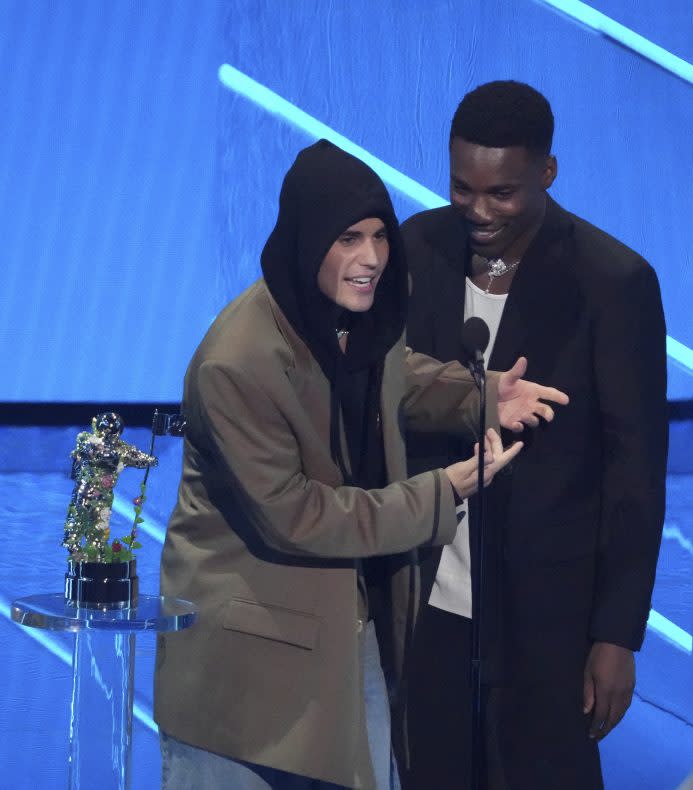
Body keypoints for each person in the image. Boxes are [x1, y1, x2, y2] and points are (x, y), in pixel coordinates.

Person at [153, 138, 568, 790]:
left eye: (378, 236)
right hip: (245, 672)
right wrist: (441, 492)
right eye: (348, 238)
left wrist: (486, 395)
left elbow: (390, 377)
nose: (371, 257)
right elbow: (298, 515)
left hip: (347, 644)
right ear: (307, 237)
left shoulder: (349, 320)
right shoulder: (235, 363)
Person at [401, 81, 668, 789]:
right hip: (428, 606)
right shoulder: (415, 248)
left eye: (502, 194)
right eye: (462, 188)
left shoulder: (611, 282)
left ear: (546, 173)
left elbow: (633, 471)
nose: (478, 211)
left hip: (548, 620)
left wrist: (614, 635)